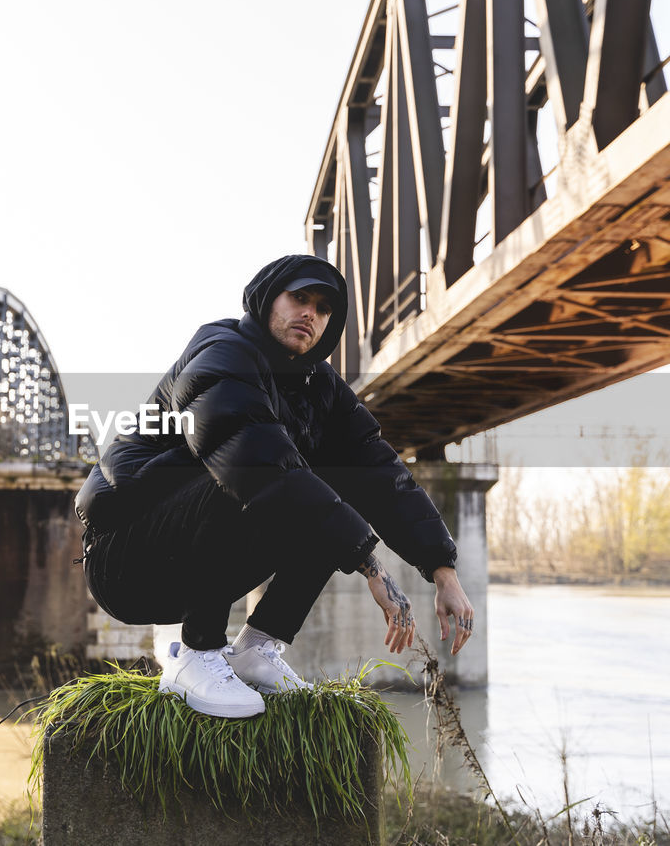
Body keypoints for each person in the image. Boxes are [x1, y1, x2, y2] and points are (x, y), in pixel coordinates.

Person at [74, 254, 474, 718]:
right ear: (267, 300)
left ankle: (256, 649)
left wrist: (442, 570)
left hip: (191, 557)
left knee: (328, 489)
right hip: (127, 559)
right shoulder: (220, 353)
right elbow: (253, 464)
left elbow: (381, 473)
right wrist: (368, 562)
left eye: (323, 308)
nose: (310, 313)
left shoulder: (320, 387)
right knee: (245, 470)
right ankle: (196, 655)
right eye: (299, 298)